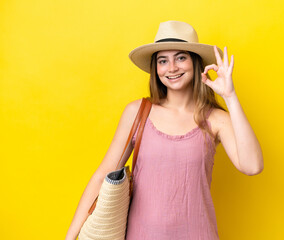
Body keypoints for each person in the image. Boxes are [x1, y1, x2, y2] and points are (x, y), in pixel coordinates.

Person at [66, 20, 264, 240]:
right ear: (156, 68)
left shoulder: (215, 119)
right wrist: (70, 236)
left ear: (195, 62)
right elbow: (102, 176)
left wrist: (230, 96)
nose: (171, 68)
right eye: (163, 61)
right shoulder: (138, 112)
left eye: (180, 57)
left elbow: (252, 166)